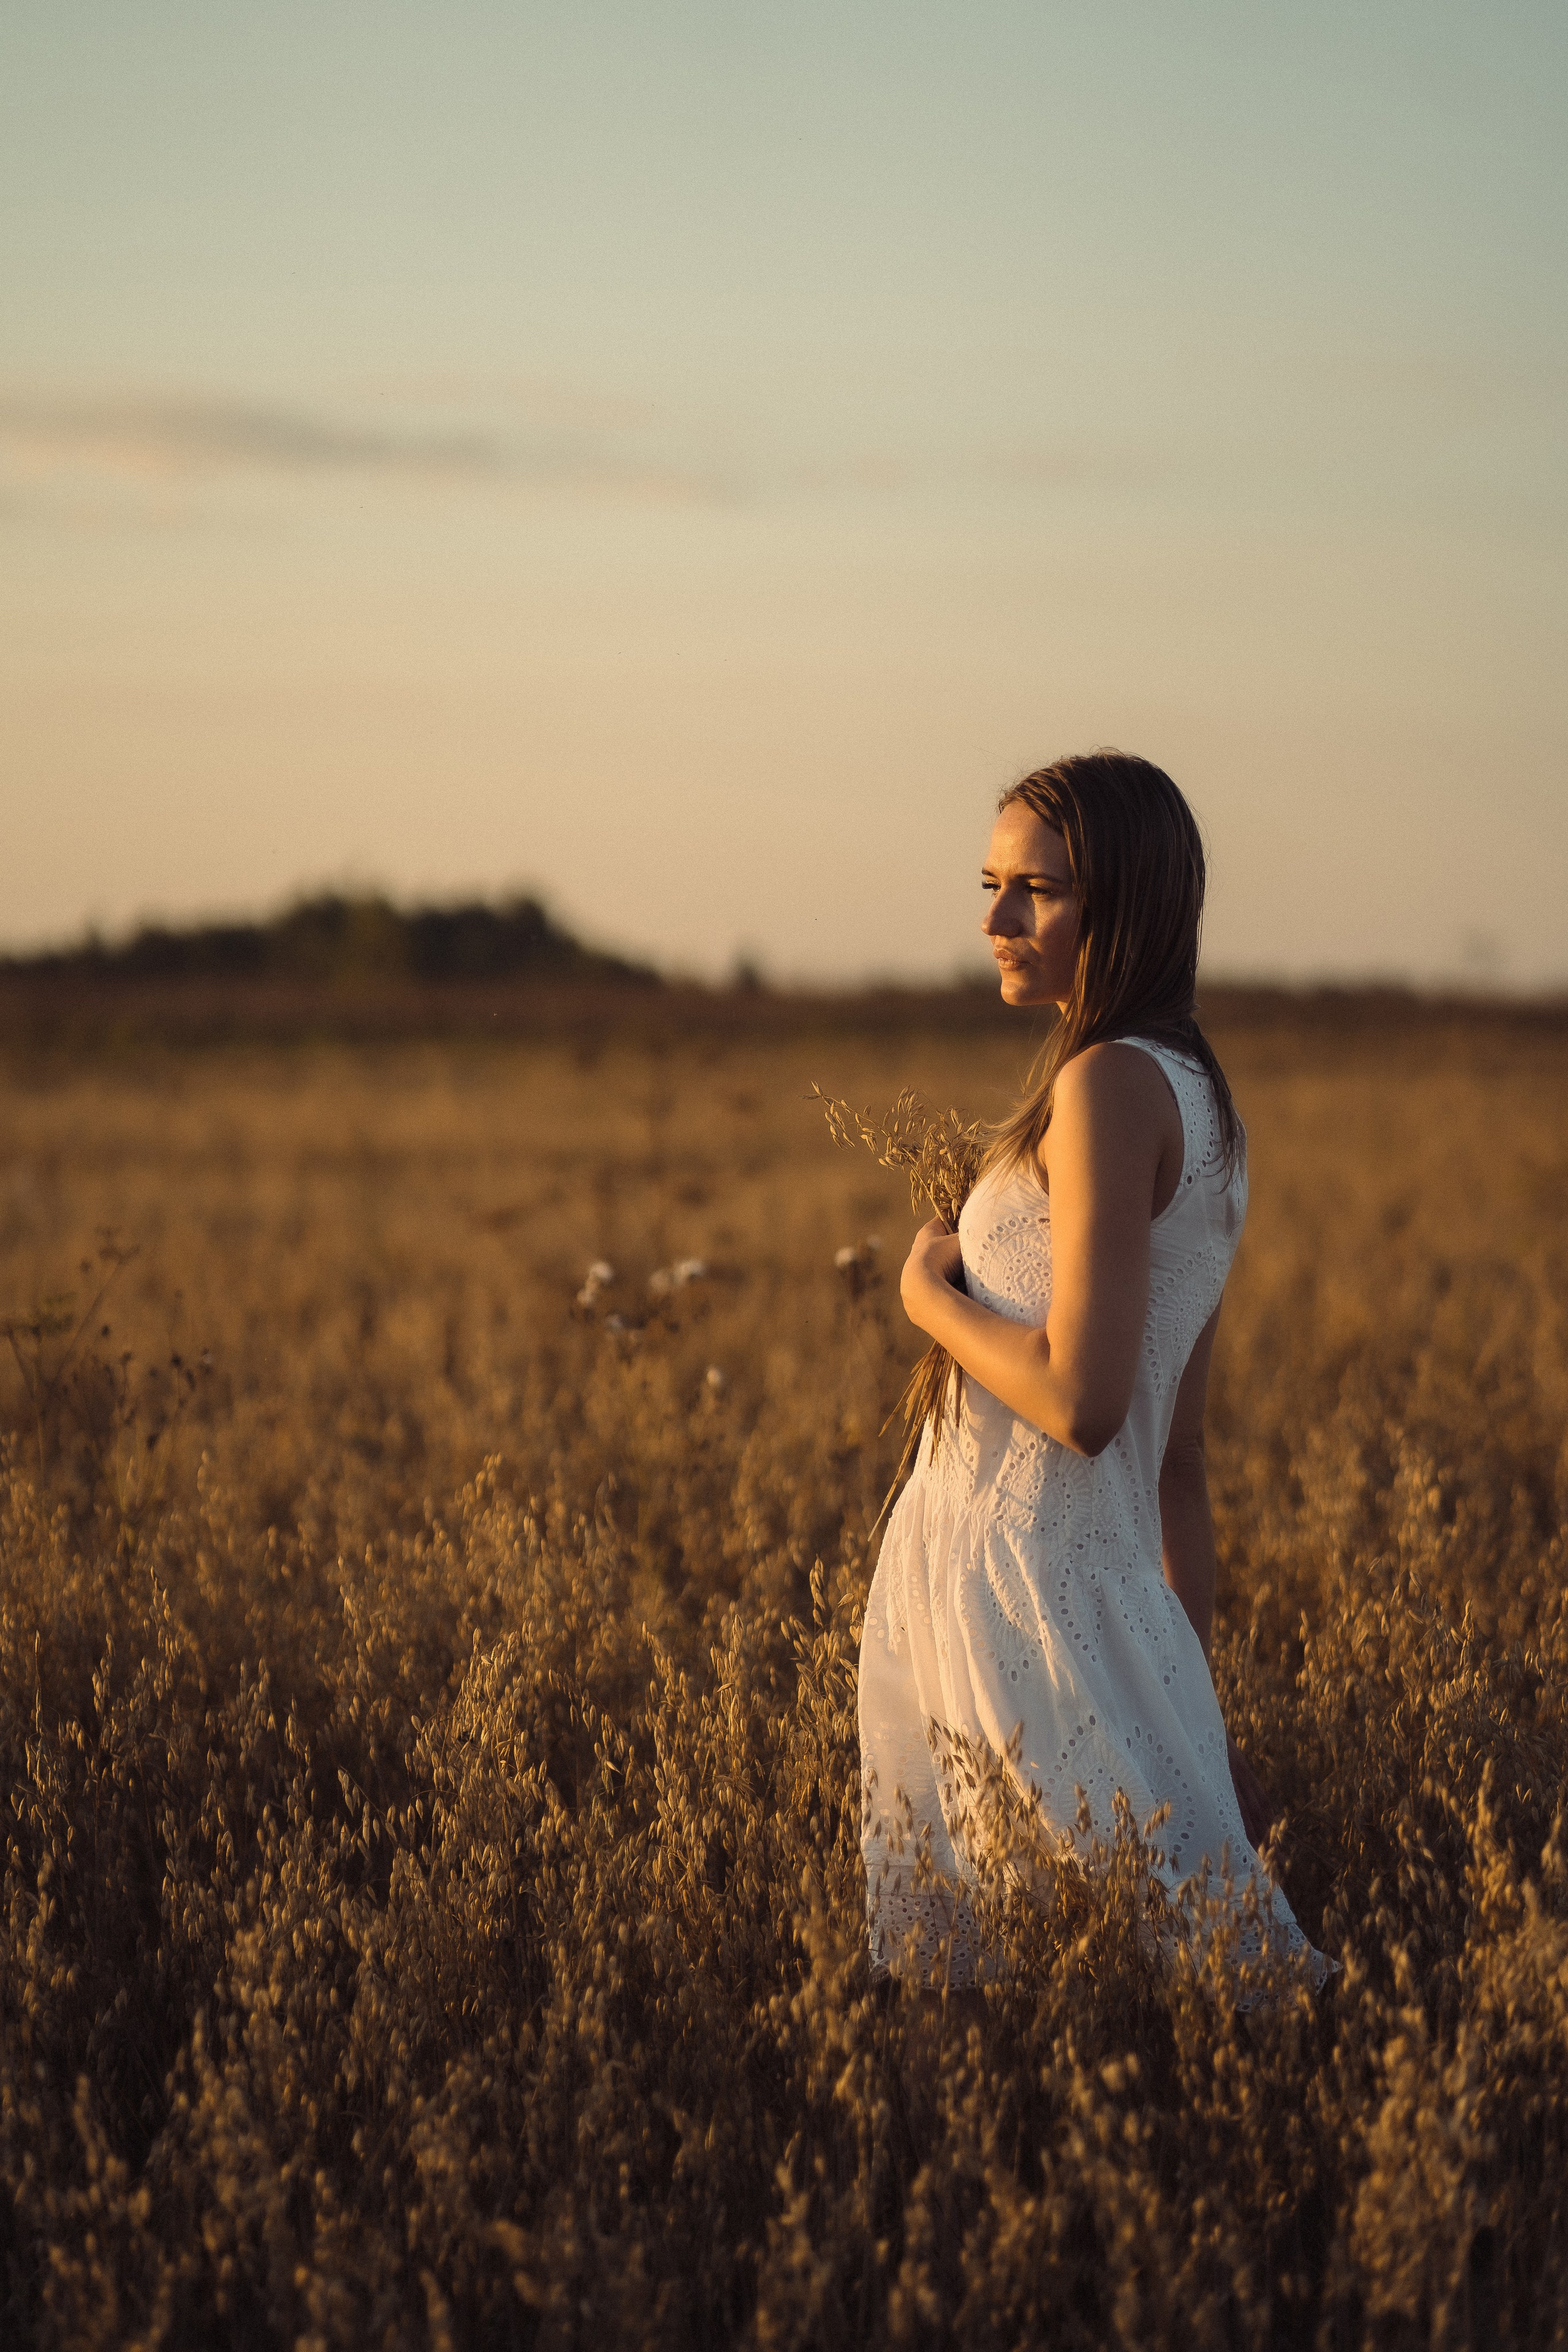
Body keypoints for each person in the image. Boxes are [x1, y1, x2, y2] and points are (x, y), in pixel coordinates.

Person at [858, 750, 1329, 1992]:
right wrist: (1186, 1705)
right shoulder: (1200, 1101)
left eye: (1040, 890)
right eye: (992, 885)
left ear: (1125, 902)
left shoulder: (1110, 1084)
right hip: (1079, 1607)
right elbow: (1180, 1461)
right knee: (1110, 2003)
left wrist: (924, 1297)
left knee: (1048, 2000)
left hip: (1023, 1600)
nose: (997, 920)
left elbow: (1082, 1402)